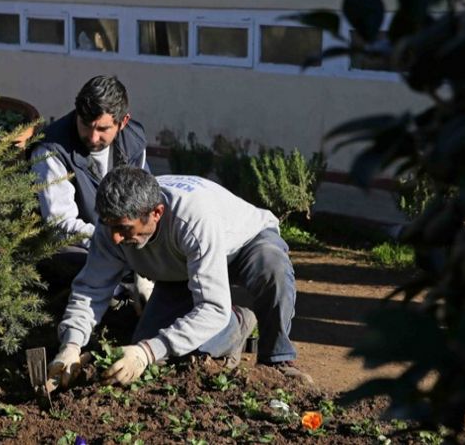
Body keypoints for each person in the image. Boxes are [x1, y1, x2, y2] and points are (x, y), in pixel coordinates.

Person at [47, 167, 313, 388]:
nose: (115, 237)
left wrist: (147, 352)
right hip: (181, 266)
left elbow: (211, 308)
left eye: (124, 229)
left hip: (243, 244)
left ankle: (276, 358)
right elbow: (91, 289)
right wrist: (71, 344)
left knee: (272, 268)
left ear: (156, 213)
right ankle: (232, 324)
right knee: (164, 355)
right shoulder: (111, 228)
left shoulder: (193, 219)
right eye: (110, 227)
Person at [29, 75, 153, 311]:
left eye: (103, 129)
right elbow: (60, 225)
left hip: (126, 243)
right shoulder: (51, 150)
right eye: (86, 125)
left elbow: (146, 205)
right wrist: (115, 246)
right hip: (74, 246)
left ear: (123, 122)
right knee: (90, 266)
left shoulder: (134, 141)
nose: (93, 137)